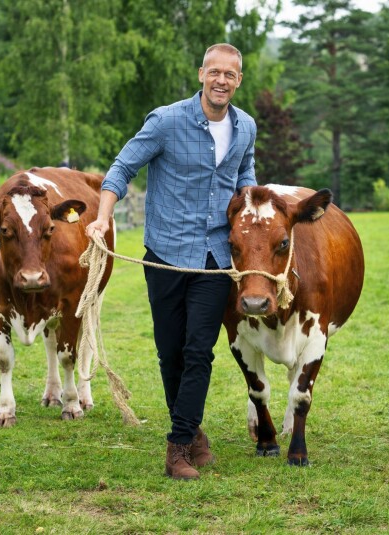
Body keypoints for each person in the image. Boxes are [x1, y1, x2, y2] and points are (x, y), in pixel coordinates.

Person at [85, 43, 257, 480]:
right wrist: (103, 219)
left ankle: (177, 446)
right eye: (214, 72)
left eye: (230, 75)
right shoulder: (166, 121)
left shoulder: (246, 128)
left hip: (215, 259)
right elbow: (120, 170)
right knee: (170, 353)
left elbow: (246, 177)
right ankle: (193, 430)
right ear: (202, 74)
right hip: (165, 255)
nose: (221, 80)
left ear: (239, 81)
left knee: (199, 351)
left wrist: (254, 213)